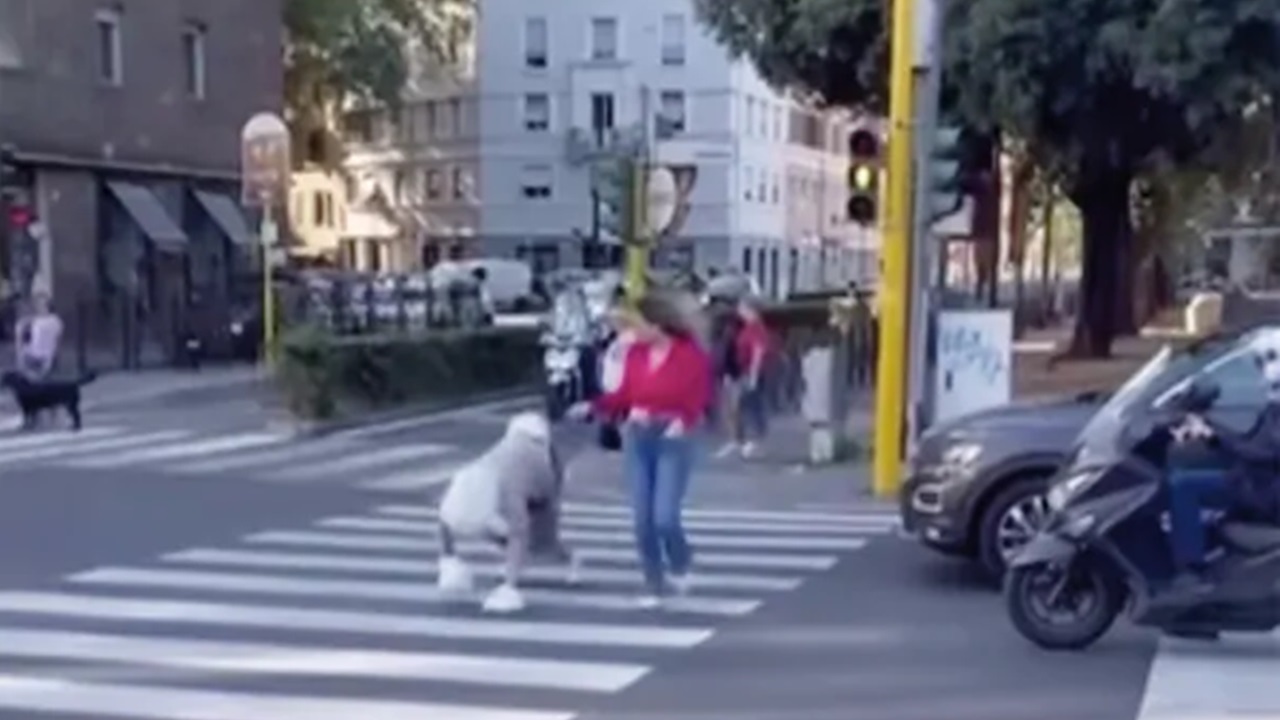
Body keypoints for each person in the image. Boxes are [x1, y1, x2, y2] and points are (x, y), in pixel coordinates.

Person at [575, 291, 712, 606]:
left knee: (665, 516)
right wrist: (594, 407)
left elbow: (700, 395)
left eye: (638, 324)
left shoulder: (689, 354)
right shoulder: (635, 353)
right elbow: (624, 394)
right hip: (638, 434)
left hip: (673, 436)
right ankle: (654, 582)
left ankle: (680, 561)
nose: (632, 330)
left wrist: (684, 420)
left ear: (657, 325)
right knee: (642, 518)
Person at [435, 411, 580, 613]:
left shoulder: (499, 473)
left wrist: (509, 584)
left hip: (539, 488)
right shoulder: (497, 467)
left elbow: (519, 531)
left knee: (538, 543)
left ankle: (553, 561)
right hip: (527, 480)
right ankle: (521, 565)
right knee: (524, 537)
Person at [1166, 345, 1280, 594]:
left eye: (1268, 360)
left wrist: (1214, 435)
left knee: (1183, 487)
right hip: (1256, 479)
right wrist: (1206, 431)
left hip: (1263, 487)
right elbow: (1252, 443)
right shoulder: (1274, 405)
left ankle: (1192, 569)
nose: (1264, 371)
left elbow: (1263, 453)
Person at [729, 297, 772, 458]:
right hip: (746, 372)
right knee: (742, 406)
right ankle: (745, 440)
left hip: (753, 373)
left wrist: (753, 375)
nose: (739, 312)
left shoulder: (756, 328)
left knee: (750, 407)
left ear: (751, 310)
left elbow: (758, 352)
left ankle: (754, 440)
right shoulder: (748, 328)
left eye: (742, 308)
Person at [15, 290, 62, 380]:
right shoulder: (56, 320)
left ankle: (24, 369)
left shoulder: (40, 322)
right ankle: (40, 370)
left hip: (38, 355)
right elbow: (58, 342)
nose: (37, 307)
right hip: (46, 356)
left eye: (39, 305)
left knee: (20, 332)